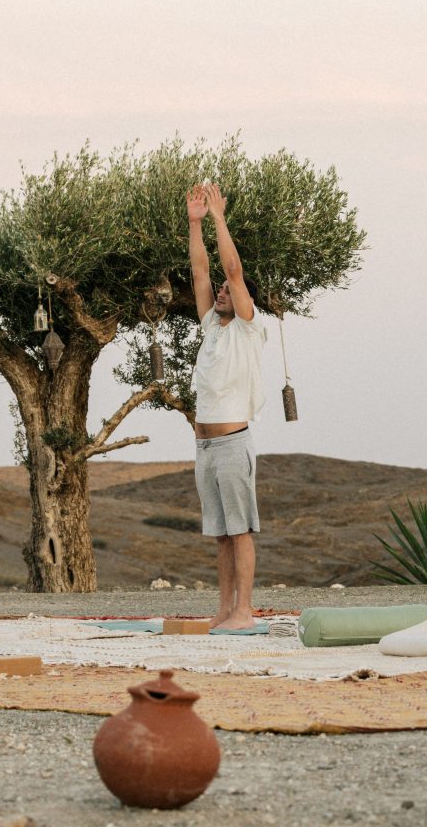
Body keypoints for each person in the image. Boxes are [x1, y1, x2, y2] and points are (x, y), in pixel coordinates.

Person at [187, 182, 268, 630]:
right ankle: (223, 609)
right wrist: (194, 224)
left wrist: (219, 218)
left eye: (228, 291)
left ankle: (244, 610)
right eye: (219, 290)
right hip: (205, 447)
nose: (220, 291)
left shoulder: (248, 328)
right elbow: (202, 272)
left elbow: (232, 271)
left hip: (234, 443)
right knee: (219, 534)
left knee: (240, 530)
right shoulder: (211, 327)